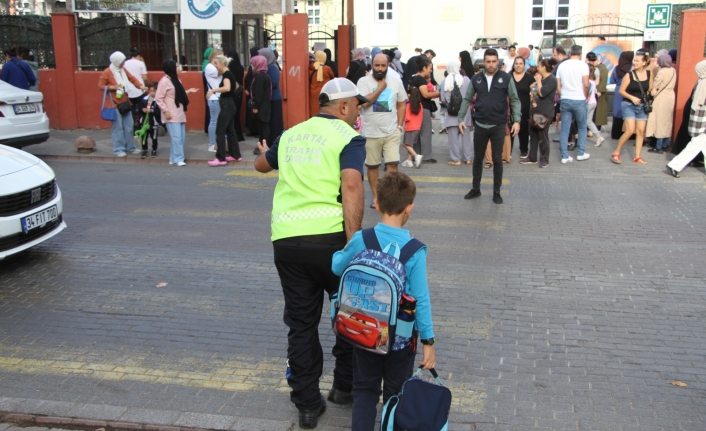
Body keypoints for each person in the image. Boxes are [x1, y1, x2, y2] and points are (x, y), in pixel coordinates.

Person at [253, 77, 368, 430]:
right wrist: (354, 243)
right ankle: (344, 389)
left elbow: (261, 165)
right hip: (331, 241)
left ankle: (306, 404)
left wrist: (265, 153)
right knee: (349, 315)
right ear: (344, 107)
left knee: (301, 324)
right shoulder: (348, 138)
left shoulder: (290, 134)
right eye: (358, 107)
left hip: (287, 241)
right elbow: (351, 185)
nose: (359, 113)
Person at [331, 171, 436, 431]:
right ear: (409, 207)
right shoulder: (415, 250)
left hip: (363, 330)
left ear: (376, 204)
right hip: (400, 340)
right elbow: (421, 299)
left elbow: (336, 267)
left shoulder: (362, 240)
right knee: (395, 392)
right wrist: (428, 342)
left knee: (364, 389)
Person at [458, 49, 521, 205]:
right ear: (484, 62)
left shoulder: (506, 78)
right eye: (488, 61)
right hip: (480, 124)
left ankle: (496, 192)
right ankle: (475, 189)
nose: (491, 64)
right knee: (478, 159)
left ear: (498, 62)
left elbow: (514, 100)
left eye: (494, 61)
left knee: (497, 160)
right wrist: (461, 118)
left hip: (499, 124)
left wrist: (517, 120)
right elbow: (466, 99)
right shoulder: (477, 79)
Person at [357, 53, 406, 208]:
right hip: (371, 133)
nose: (379, 69)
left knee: (392, 166)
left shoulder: (396, 81)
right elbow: (363, 104)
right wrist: (380, 89)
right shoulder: (363, 82)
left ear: (388, 65)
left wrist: (399, 125)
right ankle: (376, 198)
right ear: (372, 65)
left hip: (391, 132)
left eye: (383, 66)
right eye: (376, 65)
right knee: (373, 166)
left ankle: (390, 198)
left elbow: (402, 103)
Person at [99, 51, 147, 157]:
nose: (123, 63)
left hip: (125, 101)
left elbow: (132, 79)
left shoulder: (123, 70)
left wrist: (141, 86)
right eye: (121, 61)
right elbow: (101, 86)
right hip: (114, 103)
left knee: (129, 125)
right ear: (116, 61)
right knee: (118, 128)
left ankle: (130, 147)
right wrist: (113, 87)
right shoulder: (107, 72)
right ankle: (118, 149)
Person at [154, 60, 199, 167]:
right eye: (177, 66)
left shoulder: (176, 80)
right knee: (176, 137)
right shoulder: (164, 81)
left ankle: (173, 158)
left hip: (179, 112)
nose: (179, 68)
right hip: (171, 113)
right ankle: (179, 158)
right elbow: (158, 98)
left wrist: (188, 91)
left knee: (180, 137)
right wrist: (165, 111)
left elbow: (178, 94)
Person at [612, 51, 653, 165]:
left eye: (637, 61)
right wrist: (632, 98)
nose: (634, 63)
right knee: (630, 130)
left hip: (642, 106)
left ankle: (637, 156)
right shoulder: (629, 75)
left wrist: (652, 91)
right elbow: (621, 91)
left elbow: (649, 89)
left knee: (640, 132)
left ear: (644, 62)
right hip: (629, 105)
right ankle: (616, 152)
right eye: (634, 60)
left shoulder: (649, 74)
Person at [666, 60, 706, 178]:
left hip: (698, 119)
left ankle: (675, 165)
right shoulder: (704, 83)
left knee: (702, 144)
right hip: (702, 120)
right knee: (695, 145)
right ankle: (675, 165)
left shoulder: (700, 81)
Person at [556, 45, 590, 164]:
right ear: (580, 54)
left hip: (565, 98)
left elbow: (558, 86)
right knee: (582, 127)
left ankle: (564, 156)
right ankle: (580, 153)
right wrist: (585, 96)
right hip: (579, 98)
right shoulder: (583, 65)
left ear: (569, 53)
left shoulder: (562, 65)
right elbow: (586, 84)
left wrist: (562, 95)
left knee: (565, 129)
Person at [207, 55, 242, 166]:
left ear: (222, 64)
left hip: (227, 105)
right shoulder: (229, 74)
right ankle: (235, 155)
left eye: (216, 63)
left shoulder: (226, 75)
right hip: (229, 104)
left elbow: (227, 88)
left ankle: (221, 158)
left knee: (220, 131)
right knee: (231, 131)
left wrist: (213, 90)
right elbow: (236, 87)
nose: (215, 66)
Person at [521, 59, 558, 168]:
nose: (537, 68)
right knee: (533, 135)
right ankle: (532, 157)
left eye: (539, 66)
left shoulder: (551, 80)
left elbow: (542, 93)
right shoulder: (541, 78)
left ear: (544, 67)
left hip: (544, 112)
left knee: (543, 137)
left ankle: (544, 159)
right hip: (534, 111)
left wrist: (539, 81)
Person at [440, 59, 473, 165]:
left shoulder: (445, 81)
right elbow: (471, 96)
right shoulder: (466, 79)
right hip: (465, 112)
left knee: (453, 138)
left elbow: (443, 98)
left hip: (452, 112)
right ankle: (468, 158)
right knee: (466, 136)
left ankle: (456, 159)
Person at [408, 55, 439, 164]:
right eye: (430, 68)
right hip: (423, 108)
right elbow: (426, 94)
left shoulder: (414, 78)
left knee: (418, 132)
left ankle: (417, 155)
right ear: (424, 68)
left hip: (416, 108)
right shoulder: (421, 79)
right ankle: (426, 156)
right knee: (425, 131)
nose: (430, 71)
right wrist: (439, 93)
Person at [646, 54, 677, 154]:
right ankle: (666, 144)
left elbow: (655, 87)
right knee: (667, 121)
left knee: (659, 121)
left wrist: (651, 94)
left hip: (661, 97)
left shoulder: (662, 72)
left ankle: (658, 146)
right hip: (670, 96)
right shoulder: (673, 70)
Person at [259, 48, 285, 146]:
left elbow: (274, 82)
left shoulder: (272, 67)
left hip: (274, 98)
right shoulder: (266, 67)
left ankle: (275, 143)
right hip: (269, 98)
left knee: (275, 122)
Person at [511, 56, 534, 158]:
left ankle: (524, 150)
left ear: (524, 65)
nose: (518, 66)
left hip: (524, 108)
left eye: (520, 63)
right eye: (516, 63)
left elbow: (534, 93)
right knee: (509, 130)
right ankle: (508, 151)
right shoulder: (508, 76)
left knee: (524, 130)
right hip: (510, 108)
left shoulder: (529, 78)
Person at [250, 55, 272, 151]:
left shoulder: (259, 77)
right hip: (265, 105)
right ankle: (263, 145)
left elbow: (259, 93)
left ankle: (264, 146)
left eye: (253, 64)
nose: (251, 66)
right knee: (264, 127)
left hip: (262, 106)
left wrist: (255, 106)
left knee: (264, 127)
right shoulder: (265, 75)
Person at [611, 51, 635, 140]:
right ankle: (630, 134)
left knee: (618, 112)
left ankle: (616, 134)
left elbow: (612, 81)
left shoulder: (617, 68)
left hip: (618, 92)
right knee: (629, 112)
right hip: (629, 91)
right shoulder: (633, 68)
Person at [135, 82, 163, 158]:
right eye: (151, 91)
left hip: (153, 122)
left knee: (154, 137)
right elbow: (139, 109)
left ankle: (154, 149)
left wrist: (151, 111)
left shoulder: (158, 100)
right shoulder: (144, 99)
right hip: (144, 122)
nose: (152, 93)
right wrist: (143, 110)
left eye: (154, 91)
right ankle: (144, 149)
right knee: (144, 136)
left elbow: (160, 112)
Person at [123, 48, 148, 126]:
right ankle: (142, 125)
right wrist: (146, 85)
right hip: (140, 89)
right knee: (142, 109)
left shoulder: (125, 63)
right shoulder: (140, 63)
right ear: (139, 56)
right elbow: (145, 78)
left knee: (131, 110)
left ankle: (132, 127)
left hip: (129, 90)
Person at [400, 87, 424, 168]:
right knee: (410, 145)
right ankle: (409, 160)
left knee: (405, 144)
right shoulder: (420, 105)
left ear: (410, 95)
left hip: (410, 127)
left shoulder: (408, 105)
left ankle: (416, 156)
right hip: (417, 127)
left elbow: (407, 118)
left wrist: (401, 117)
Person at [203, 50, 222, 153]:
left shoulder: (214, 66)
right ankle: (212, 144)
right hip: (214, 98)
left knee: (218, 122)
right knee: (214, 121)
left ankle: (218, 143)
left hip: (218, 97)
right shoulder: (210, 67)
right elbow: (221, 71)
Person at [227, 50, 246, 142]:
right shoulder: (240, 68)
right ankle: (239, 135)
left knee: (230, 115)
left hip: (230, 93)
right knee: (237, 114)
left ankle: (232, 135)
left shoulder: (228, 69)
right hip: (239, 93)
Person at [586, 52, 609, 132]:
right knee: (592, 115)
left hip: (594, 93)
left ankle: (593, 131)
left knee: (593, 115)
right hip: (594, 93)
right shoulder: (597, 68)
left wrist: (599, 91)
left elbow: (600, 82)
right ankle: (593, 132)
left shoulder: (600, 68)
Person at [309, 51, 335, 118]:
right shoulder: (327, 69)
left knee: (314, 111)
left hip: (313, 93)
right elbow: (332, 78)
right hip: (324, 93)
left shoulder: (311, 67)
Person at [584, 64, 604, 147]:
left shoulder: (587, 82)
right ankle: (598, 137)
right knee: (588, 121)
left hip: (587, 103)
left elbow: (587, 94)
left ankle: (579, 139)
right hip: (593, 102)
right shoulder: (593, 81)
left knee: (583, 121)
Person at [245, 47, 261, 139]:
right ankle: (253, 129)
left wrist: (248, 89)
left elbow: (252, 79)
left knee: (254, 111)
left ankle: (256, 130)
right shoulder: (253, 64)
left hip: (252, 92)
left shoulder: (256, 65)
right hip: (250, 92)